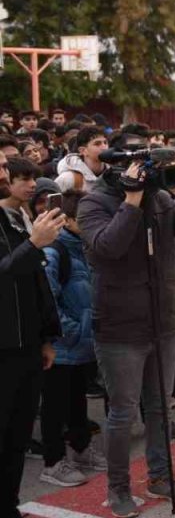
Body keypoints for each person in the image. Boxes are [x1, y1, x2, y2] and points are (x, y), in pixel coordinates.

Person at [78, 155, 175, 516]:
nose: (144, 175)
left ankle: (160, 475)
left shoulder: (162, 198)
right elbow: (107, 248)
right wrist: (131, 202)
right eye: (137, 169)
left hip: (163, 321)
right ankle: (118, 487)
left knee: (160, 407)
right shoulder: (94, 202)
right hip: (120, 328)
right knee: (123, 413)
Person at [1, 153, 65, 514]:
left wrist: (45, 337)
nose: (27, 183)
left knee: (18, 435)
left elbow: (36, 284)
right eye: (16, 175)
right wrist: (33, 244)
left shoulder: (23, 218)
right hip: (4, 348)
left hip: (26, 344)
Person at [38, 190, 109, 488]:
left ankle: (80, 450)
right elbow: (48, 299)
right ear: (66, 220)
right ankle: (53, 462)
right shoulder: (55, 252)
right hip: (63, 345)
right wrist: (72, 330)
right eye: (84, 218)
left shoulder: (84, 246)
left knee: (78, 400)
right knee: (55, 406)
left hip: (83, 343)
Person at [55, 126, 108, 193]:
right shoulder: (68, 179)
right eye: (97, 144)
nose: (104, 147)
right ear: (83, 151)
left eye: (105, 143)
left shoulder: (113, 175)